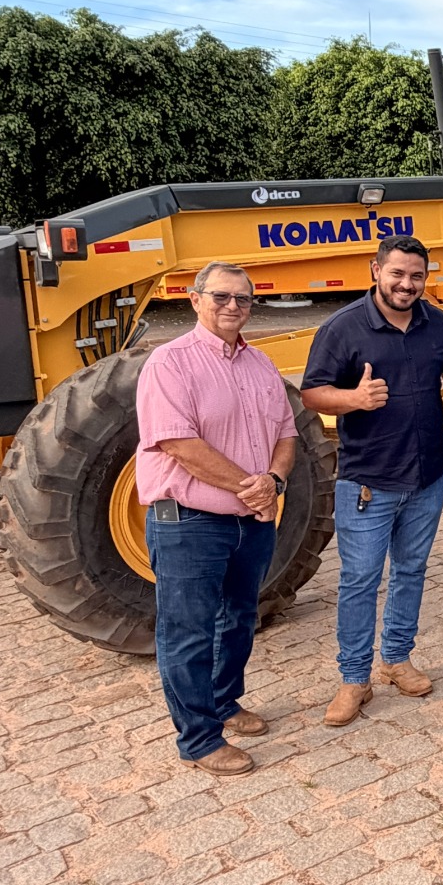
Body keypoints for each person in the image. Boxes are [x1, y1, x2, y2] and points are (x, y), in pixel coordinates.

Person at [136, 262, 297, 775]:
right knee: (187, 630)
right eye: (222, 297)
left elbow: (286, 434)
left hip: (249, 520)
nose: (233, 307)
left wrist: (273, 480)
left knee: (239, 619)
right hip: (189, 522)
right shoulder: (169, 363)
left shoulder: (261, 365)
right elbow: (179, 443)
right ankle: (199, 739)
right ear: (195, 299)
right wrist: (252, 486)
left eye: (244, 299)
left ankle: (224, 704)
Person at [302, 235, 443, 728]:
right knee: (359, 581)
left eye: (416, 276)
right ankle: (354, 679)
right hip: (368, 481)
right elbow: (311, 394)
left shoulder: (439, 323)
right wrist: (354, 399)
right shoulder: (344, 327)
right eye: (397, 274)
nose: (406, 284)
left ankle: (395, 658)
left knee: (411, 571)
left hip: (428, 476)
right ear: (376, 270)